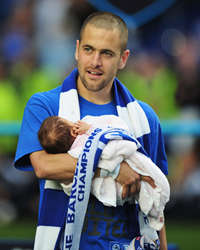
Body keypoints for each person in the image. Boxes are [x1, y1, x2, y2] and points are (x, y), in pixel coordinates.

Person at [14, 11, 168, 250]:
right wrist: (115, 168)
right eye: (88, 49)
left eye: (106, 53)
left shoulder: (146, 117)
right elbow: (44, 166)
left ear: (123, 58)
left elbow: (155, 193)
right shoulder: (45, 105)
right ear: (77, 50)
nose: (95, 62)